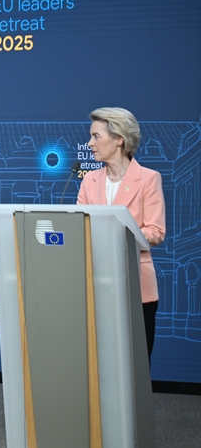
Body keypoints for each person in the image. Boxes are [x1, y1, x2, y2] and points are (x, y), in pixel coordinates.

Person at [77, 107, 166, 364]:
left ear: (119, 139)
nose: (89, 143)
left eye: (96, 136)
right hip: (96, 284)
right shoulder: (89, 181)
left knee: (134, 363)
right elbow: (79, 228)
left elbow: (156, 232)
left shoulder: (148, 179)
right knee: (99, 362)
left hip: (136, 286)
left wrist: (116, 233)